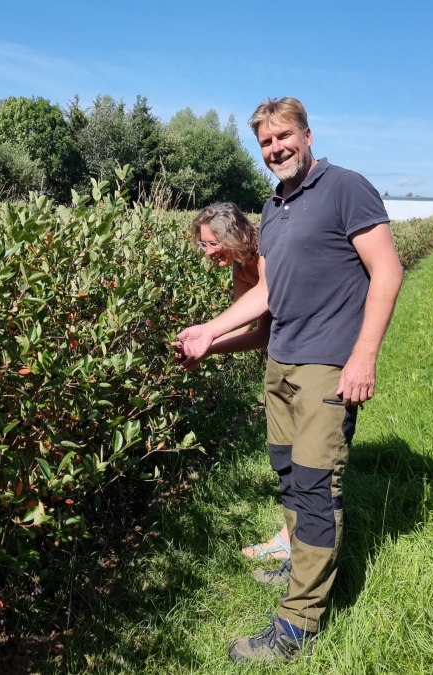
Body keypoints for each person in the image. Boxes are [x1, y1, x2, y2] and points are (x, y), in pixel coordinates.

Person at [175, 97, 404, 663]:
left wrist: (363, 356)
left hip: (328, 362)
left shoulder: (345, 187)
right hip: (282, 363)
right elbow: (267, 293)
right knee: (288, 476)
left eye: (284, 137)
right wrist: (209, 331)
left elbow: (388, 270)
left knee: (316, 487)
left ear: (306, 134)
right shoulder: (273, 207)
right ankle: (304, 573)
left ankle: (298, 623)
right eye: (265, 143)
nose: (275, 149)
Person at [179, 203, 291, 562]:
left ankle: (298, 544)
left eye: (213, 244)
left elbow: (269, 295)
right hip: (282, 356)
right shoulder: (243, 270)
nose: (209, 253)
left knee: (309, 457)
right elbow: (257, 334)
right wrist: (206, 351)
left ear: (234, 234)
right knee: (287, 455)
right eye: (203, 246)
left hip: (315, 353)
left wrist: (208, 333)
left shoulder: (268, 252)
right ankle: (292, 538)